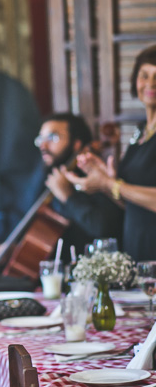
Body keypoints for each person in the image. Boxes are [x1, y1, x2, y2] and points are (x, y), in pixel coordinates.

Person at [0, 113, 124, 270]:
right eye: (41, 139)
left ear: (76, 144)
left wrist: (68, 196)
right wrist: (10, 247)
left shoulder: (94, 179)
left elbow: (105, 228)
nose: (44, 145)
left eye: (53, 138)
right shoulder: (45, 181)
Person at [67, 44, 156, 261]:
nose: (151, 83)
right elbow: (129, 200)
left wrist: (110, 184)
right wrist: (104, 180)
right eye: (144, 75)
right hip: (137, 248)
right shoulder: (140, 132)